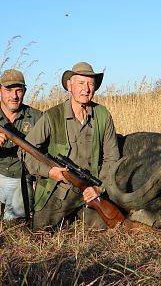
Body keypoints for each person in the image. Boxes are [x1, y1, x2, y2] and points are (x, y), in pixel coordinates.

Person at [23, 62, 120, 230]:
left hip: (89, 190)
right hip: (59, 189)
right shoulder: (52, 116)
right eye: (81, 83)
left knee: (107, 228)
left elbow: (112, 158)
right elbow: (25, 152)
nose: (86, 89)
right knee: (41, 231)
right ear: (70, 85)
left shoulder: (103, 115)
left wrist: (99, 188)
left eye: (90, 83)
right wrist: (49, 172)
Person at [0, 69, 42, 221]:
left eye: (19, 90)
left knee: (13, 223)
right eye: (8, 90)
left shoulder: (38, 117)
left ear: (25, 91)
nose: (14, 96)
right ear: (0, 90)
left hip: (20, 179)